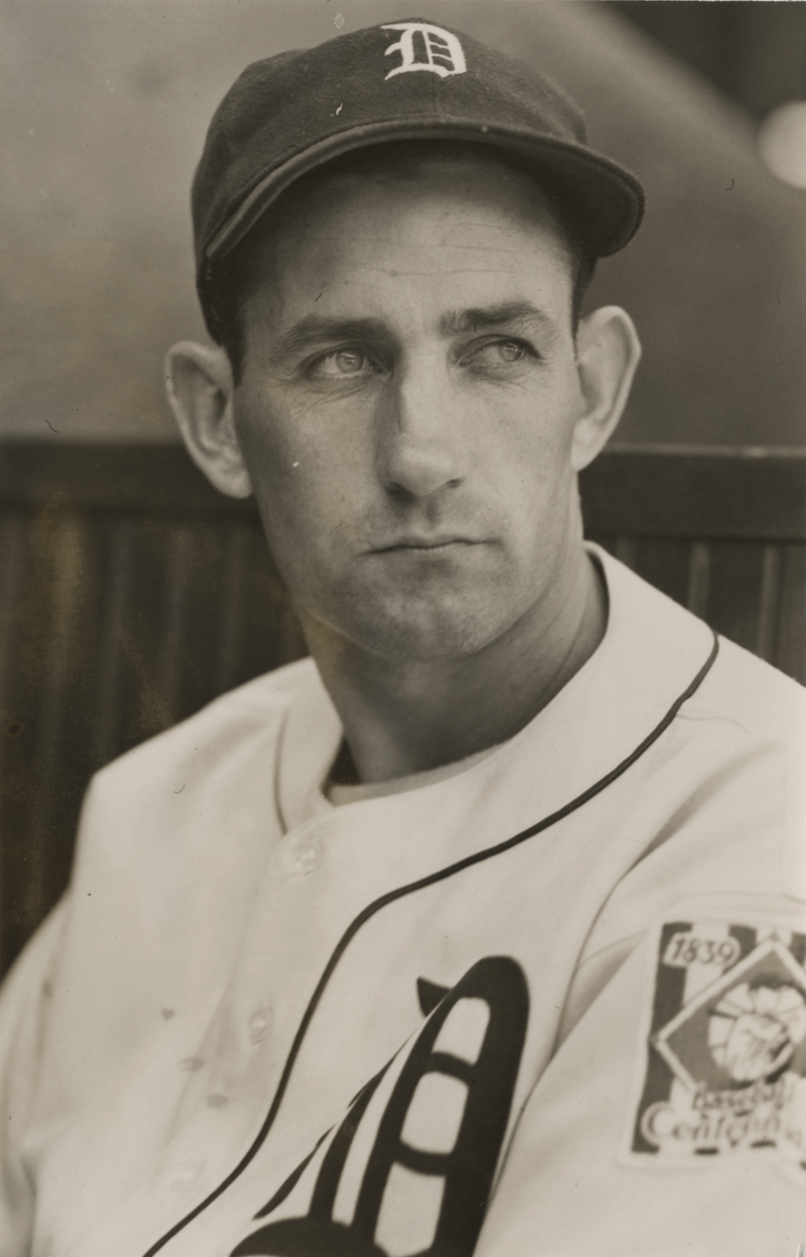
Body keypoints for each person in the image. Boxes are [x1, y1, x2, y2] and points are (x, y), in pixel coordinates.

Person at [1, 17, 804, 1257]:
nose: (421, 454)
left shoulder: (754, 832)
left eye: (496, 351)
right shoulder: (156, 804)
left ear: (590, 390)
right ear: (218, 421)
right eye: (340, 359)